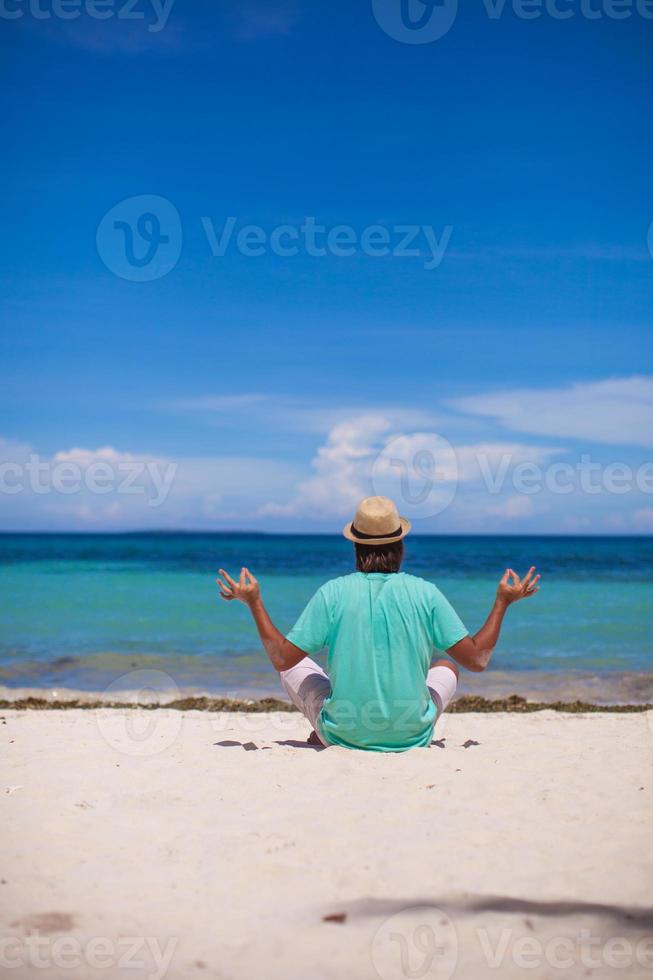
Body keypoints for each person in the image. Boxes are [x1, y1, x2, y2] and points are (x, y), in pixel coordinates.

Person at [217, 495, 540, 752]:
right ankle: (399, 722)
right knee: (448, 666)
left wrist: (254, 602)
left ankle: (325, 728)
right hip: (413, 738)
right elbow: (478, 660)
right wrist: (502, 602)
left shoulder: (334, 592)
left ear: (356, 545)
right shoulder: (425, 593)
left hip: (343, 736)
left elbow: (281, 658)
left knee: (292, 665)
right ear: (400, 545)